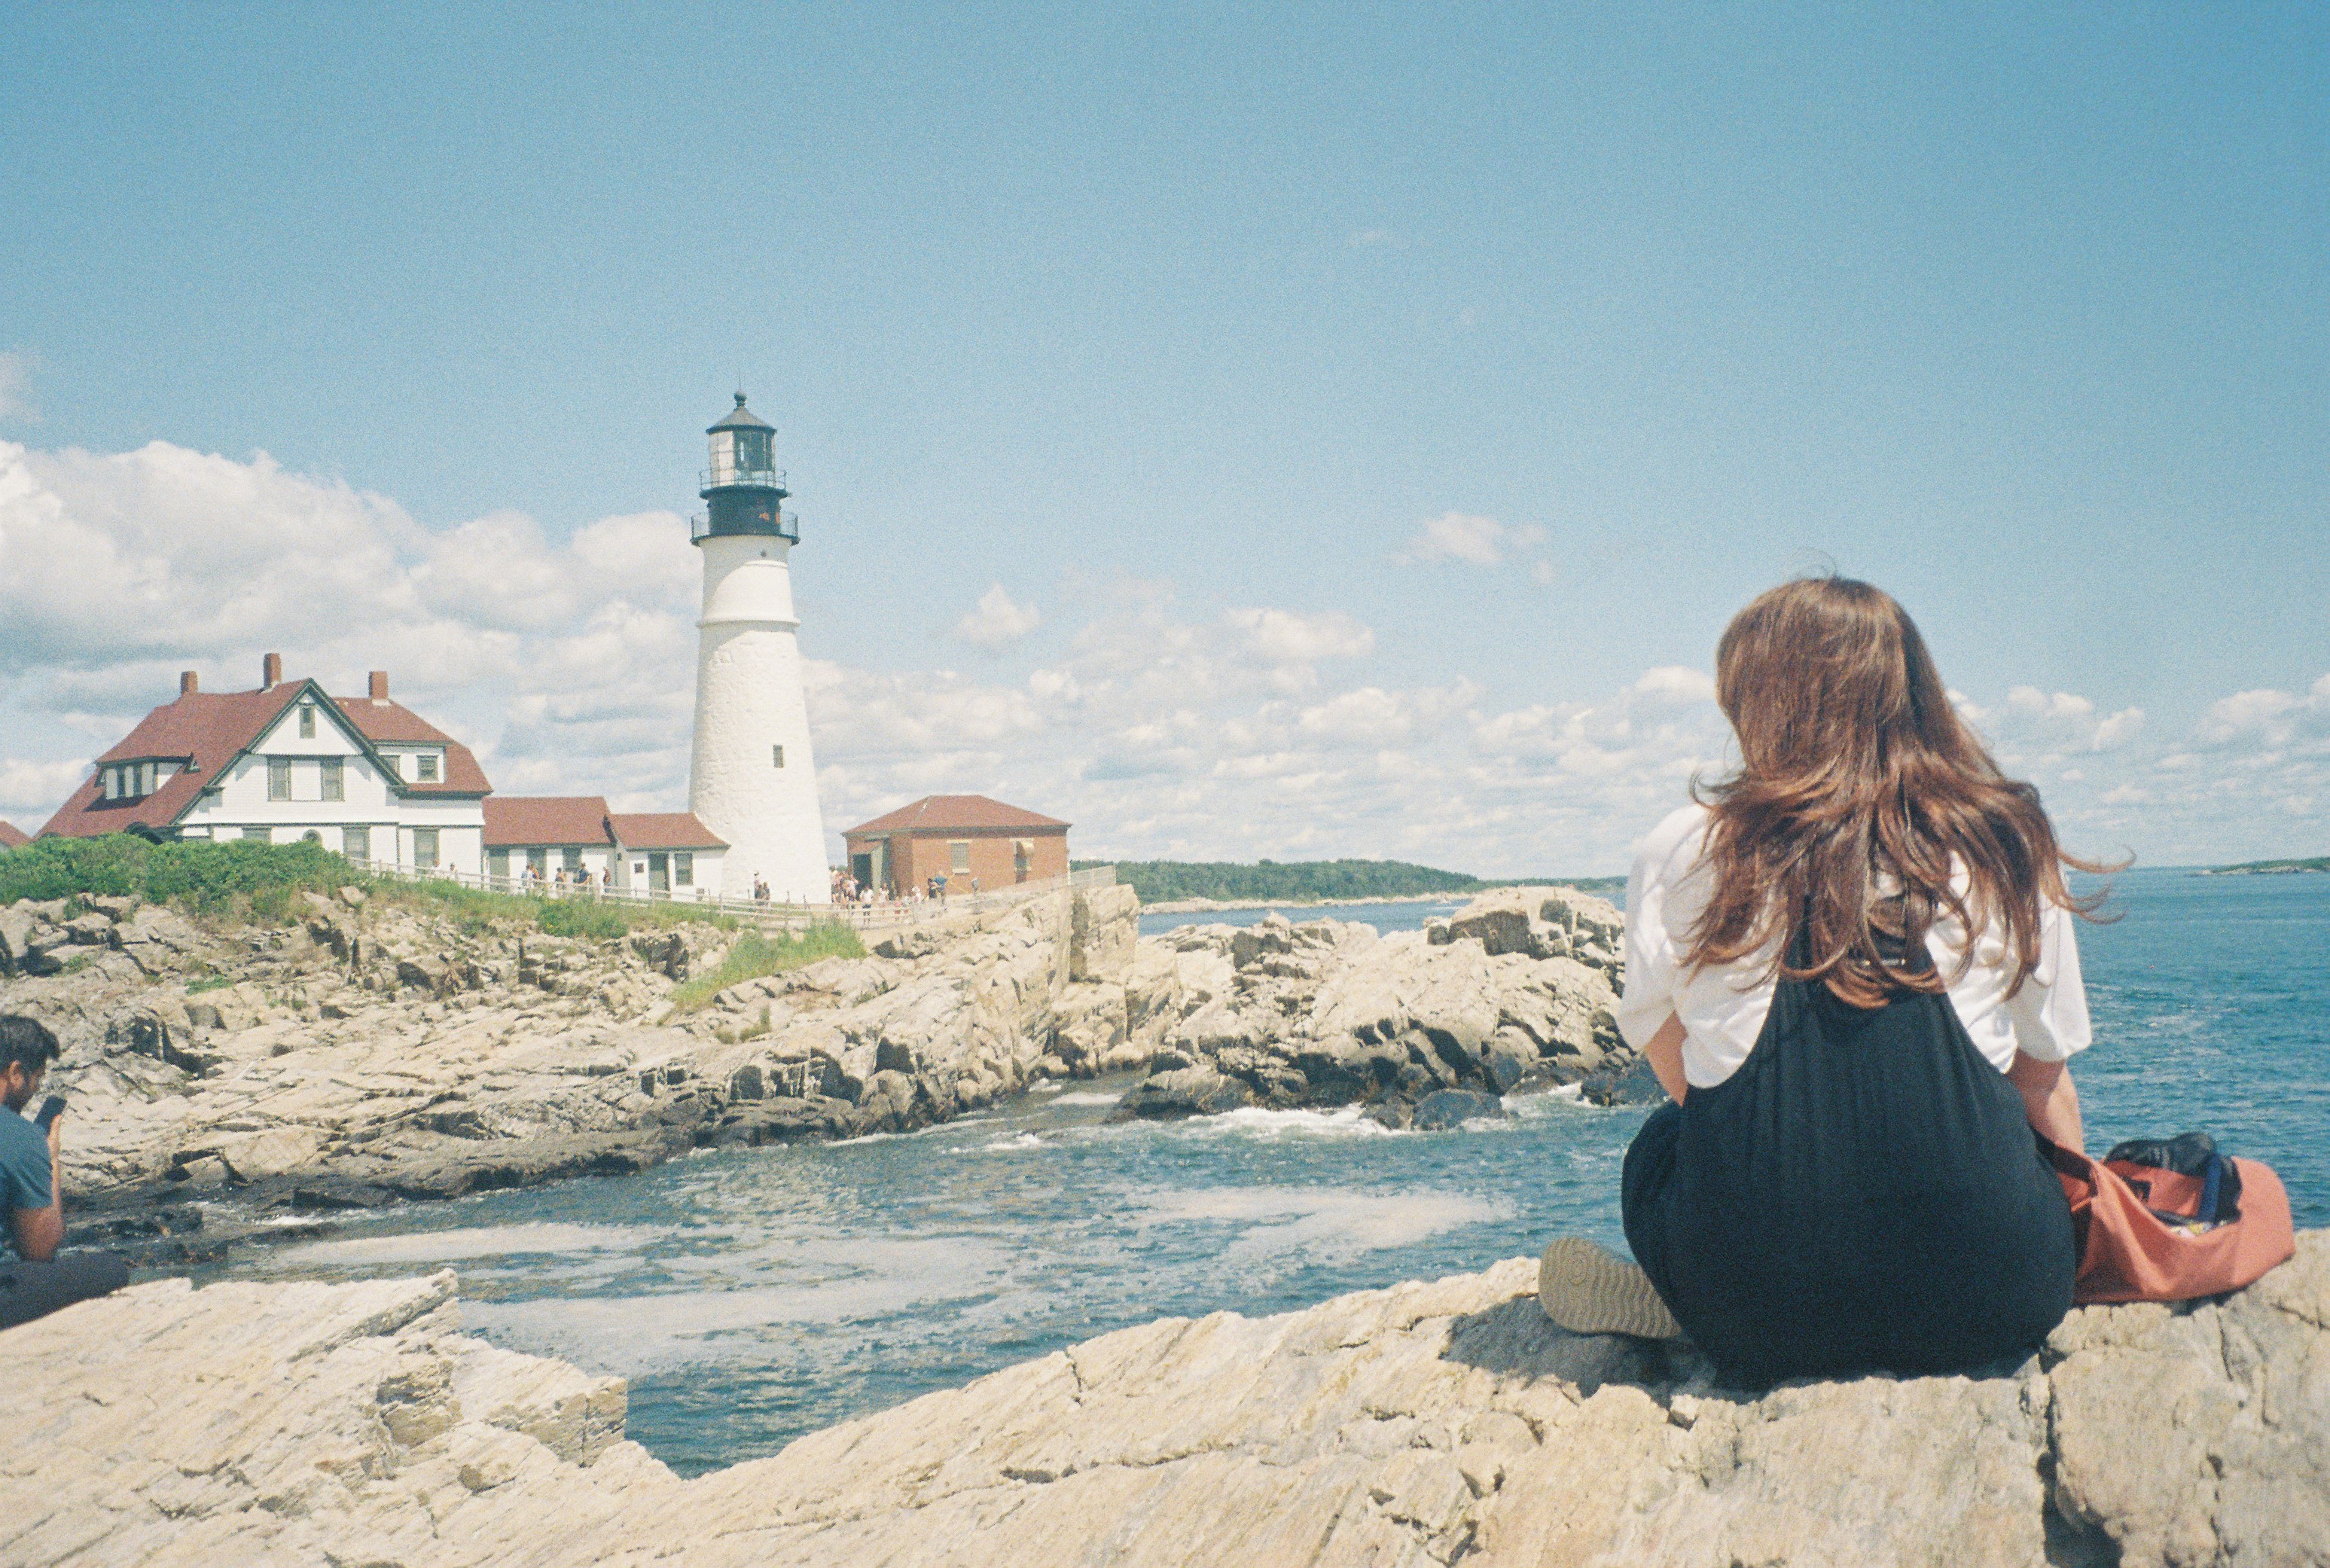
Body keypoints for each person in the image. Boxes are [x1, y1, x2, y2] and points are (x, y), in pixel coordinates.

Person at [1537, 578, 2100, 1383]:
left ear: (1759, 705)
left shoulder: (1684, 847)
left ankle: (1699, 1292)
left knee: (1659, 1148)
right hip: (1995, 1297)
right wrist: (2081, 1226)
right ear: (1909, 695)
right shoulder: (1998, 837)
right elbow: (2043, 1079)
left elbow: (1677, 1064)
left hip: (1753, 1311)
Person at [0, 1016, 129, 1329]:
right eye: (37, 1079)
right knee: (110, 1268)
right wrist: (50, 1155)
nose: (35, 1090)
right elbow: (40, 1250)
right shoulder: (19, 1137)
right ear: (17, 1073)